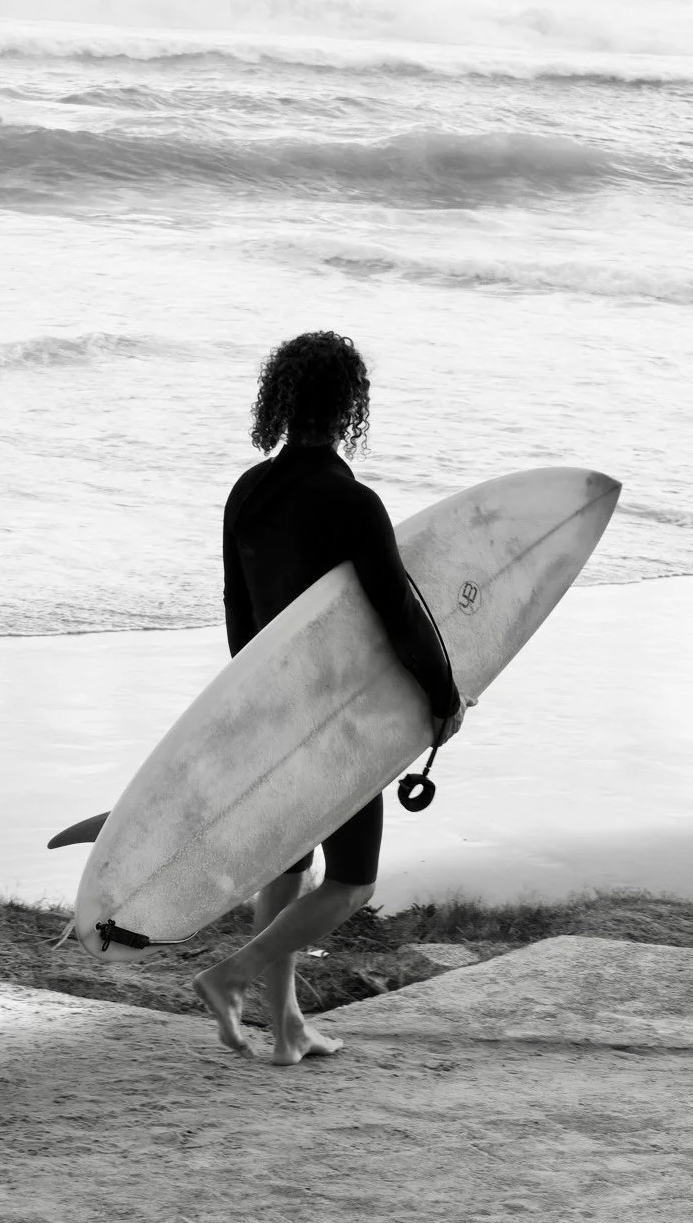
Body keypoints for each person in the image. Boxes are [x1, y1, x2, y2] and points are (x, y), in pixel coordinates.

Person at [193, 330, 474, 1065]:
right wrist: (443, 698)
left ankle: (285, 1030)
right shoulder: (351, 502)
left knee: (287, 870)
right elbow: (397, 613)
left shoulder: (247, 492)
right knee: (350, 881)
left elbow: (237, 610)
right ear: (351, 405)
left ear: (278, 399)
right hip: (336, 717)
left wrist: (253, 701)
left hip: (270, 705)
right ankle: (231, 977)